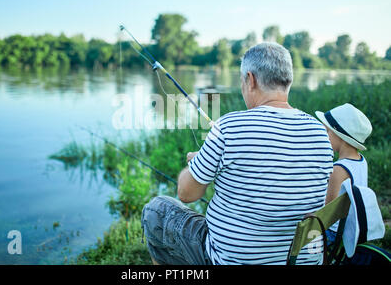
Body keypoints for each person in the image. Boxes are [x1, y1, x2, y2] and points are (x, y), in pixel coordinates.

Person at [141, 42, 333, 265]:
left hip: (231, 261)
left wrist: (199, 163)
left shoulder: (230, 126)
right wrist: (208, 161)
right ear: (288, 80)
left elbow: (186, 194)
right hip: (301, 260)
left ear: (250, 80)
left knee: (156, 210)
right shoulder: (320, 132)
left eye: (242, 81)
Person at [315, 103, 372, 245]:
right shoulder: (361, 161)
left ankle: (313, 258)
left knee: (295, 230)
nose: (324, 136)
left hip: (333, 233)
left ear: (340, 136)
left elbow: (327, 216)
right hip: (351, 226)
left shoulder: (338, 169)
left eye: (327, 131)